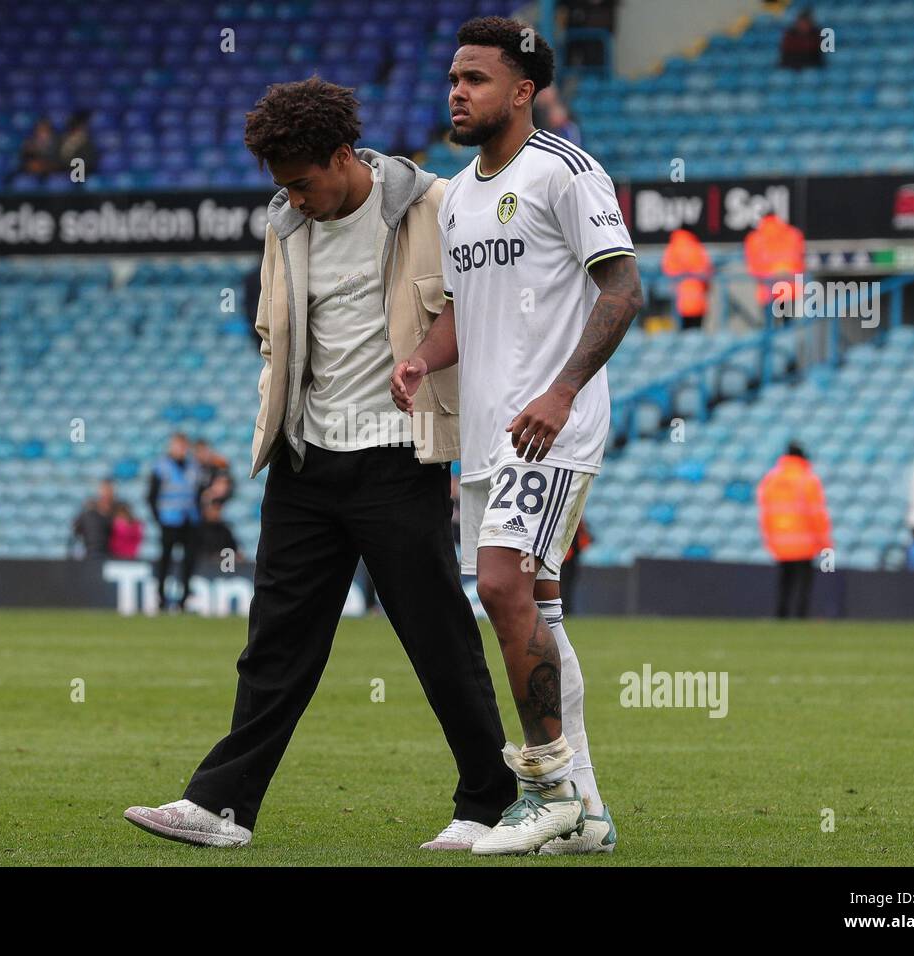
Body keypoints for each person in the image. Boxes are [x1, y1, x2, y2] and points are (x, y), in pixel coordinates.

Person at [124, 76, 516, 852]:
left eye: (304, 183)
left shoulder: (438, 206)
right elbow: (280, 335)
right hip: (307, 461)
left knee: (436, 638)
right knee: (276, 642)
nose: (296, 199)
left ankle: (488, 803)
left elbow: (484, 309)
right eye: (283, 188)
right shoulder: (283, 224)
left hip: (397, 461)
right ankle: (221, 806)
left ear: (344, 155)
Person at [392, 16, 642, 856]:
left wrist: (563, 391)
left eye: (476, 79)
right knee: (535, 606)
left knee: (500, 588)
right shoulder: (459, 194)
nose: (457, 92)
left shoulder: (566, 171)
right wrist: (423, 363)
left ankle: (542, 791)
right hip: (488, 433)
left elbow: (622, 289)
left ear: (524, 91)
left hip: (551, 428)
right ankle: (588, 814)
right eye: (454, 78)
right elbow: (464, 309)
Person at [757, 444, 832, 618]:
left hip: (780, 541)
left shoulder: (771, 480)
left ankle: (781, 614)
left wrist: (770, 538)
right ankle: (800, 616)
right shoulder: (807, 479)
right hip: (804, 542)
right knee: (803, 583)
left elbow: (766, 512)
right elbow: (817, 513)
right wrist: (824, 542)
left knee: (784, 581)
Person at [146, 433, 201, 612]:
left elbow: (199, 493)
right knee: (166, 561)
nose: (181, 450)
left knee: (189, 561)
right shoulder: (161, 467)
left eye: (183, 446)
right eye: (178, 446)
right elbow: (151, 496)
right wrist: (159, 519)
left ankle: (184, 600)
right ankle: (161, 599)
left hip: (189, 520)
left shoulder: (194, 467)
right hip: (169, 521)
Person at [745, 213, 805, 320]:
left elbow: (752, 267)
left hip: (767, 289)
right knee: (787, 327)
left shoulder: (754, 238)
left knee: (770, 328)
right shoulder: (793, 234)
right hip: (789, 288)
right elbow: (800, 263)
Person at [661, 228, 713, 329]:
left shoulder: (672, 247)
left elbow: (667, 269)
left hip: (678, 298)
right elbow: (707, 270)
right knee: (696, 333)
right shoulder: (696, 247)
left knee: (682, 335)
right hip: (697, 296)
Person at [71, 479, 116, 558]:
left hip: (110, 552)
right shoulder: (90, 509)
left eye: (109, 490)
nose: (106, 493)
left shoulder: (118, 508)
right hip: (91, 551)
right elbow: (76, 527)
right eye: (104, 490)